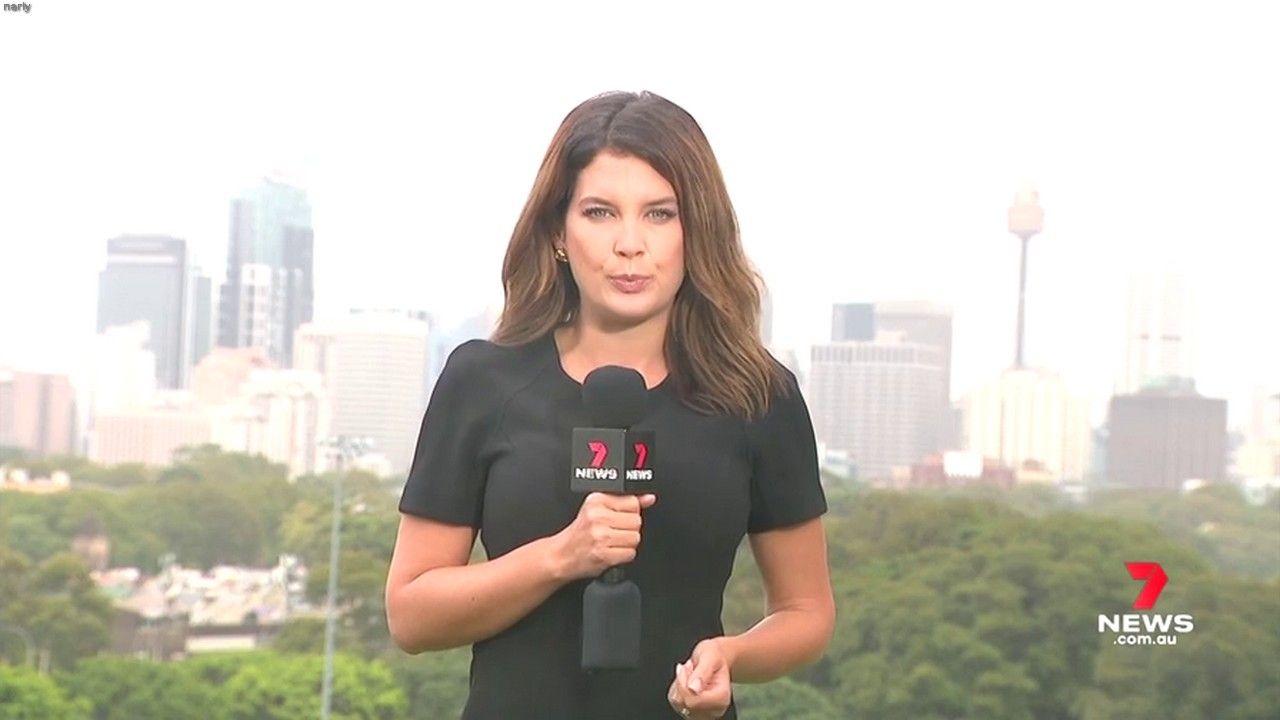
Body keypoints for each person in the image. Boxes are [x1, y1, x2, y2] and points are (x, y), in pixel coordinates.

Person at [385, 90, 834, 719]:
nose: (629, 244)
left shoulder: (759, 395)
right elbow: (411, 615)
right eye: (600, 212)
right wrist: (560, 556)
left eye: (660, 214)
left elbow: (806, 612)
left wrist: (731, 657)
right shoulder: (481, 382)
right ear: (558, 231)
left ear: (697, 231)